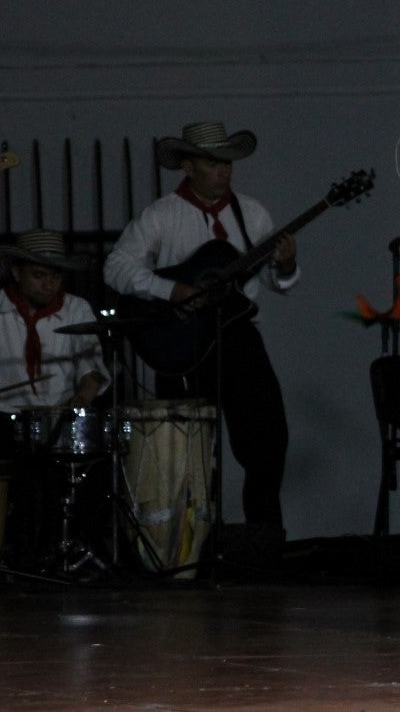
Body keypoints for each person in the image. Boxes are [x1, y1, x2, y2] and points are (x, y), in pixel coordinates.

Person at [103, 121, 298, 562]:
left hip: (238, 338)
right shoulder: (161, 215)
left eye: (227, 162)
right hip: (182, 342)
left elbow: (279, 282)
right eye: (213, 162)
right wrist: (171, 291)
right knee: (188, 450)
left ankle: (263, 545)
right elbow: (115, 268)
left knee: (268, 439)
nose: (223, 171)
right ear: (188, 166)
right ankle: (189, 551)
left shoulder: (252, 214)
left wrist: (286, 264)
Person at [0, 230, 110, 452]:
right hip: (0, 423)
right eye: (39, 275)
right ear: (16, 272)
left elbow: (91, 370)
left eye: (56, 276)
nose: (49, 285)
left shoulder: (77, 309)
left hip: (60, 420)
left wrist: (83, 397)